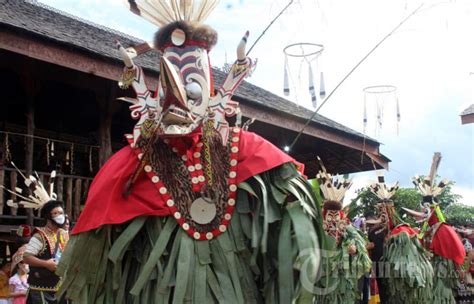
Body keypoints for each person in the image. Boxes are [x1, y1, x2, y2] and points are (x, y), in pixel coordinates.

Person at [55, 2, 325, 303]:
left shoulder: (247, 149)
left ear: (211, 88)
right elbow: (97, 260)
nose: (179, 93)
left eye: (193, 81)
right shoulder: (130, 165)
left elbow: (292, 225)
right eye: (169, 78)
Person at [22, 200, 68, 304]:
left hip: (61, 288)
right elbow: (26, 257)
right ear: (48, 216)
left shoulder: (64, 234)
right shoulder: (39, 236)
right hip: (41, 288)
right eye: (55, 213)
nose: (59, 216)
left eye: (61, 213)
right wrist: (46, 264)